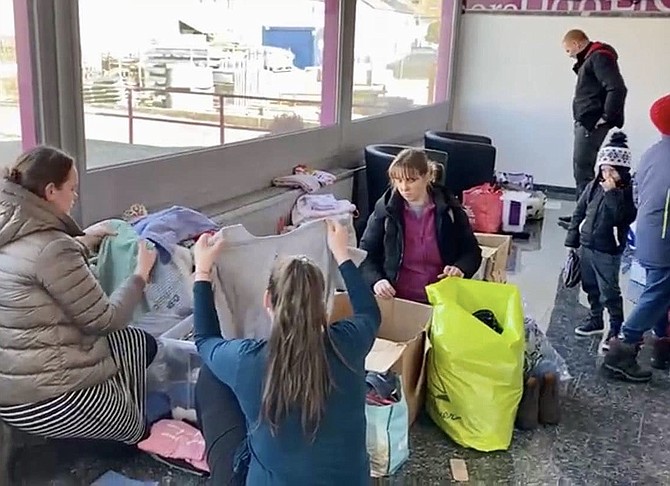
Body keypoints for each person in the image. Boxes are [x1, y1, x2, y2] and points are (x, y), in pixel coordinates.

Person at [192, 220, 381, 485]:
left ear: (268, 299)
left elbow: (204, 339)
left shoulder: (247, 361)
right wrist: (342, 255)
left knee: (210, 376)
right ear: (322, 301)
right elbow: (369, 313)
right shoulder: (349, 343)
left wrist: (202, 271)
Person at [0, 146, 158, 445]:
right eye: (71, 189)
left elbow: (40, 264)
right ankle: (116, 429)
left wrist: (84, 240)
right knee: (139, 431)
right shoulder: (54, 246)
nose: (75, 198)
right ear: (50, 191)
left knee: (137, 342)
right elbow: (105, 320)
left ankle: (104, 415)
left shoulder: (10, 228)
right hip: (48, 398)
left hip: (13, 386)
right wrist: (140, 275)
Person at [359, 148, 482, 304]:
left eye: (411, 180)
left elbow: (472, 252)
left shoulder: (450, 209)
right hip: (397, 299)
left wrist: (460, 268)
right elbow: (365, 254)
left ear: (427, 177)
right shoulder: (385, 209)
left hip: (441, 298)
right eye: (398, 180)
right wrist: (376, 281)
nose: (404, 187)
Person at [604, 94, 670, 383]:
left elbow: (637, 193)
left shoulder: (654, 152)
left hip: (648, 233)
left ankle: (661, 346)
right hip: (665, 238)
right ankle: (623, 348)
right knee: (659, 292)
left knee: (658, 290)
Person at [565, 132, 636, 350]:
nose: (606, 175)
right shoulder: (593, 186)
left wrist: (613, 193)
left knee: (609, 290)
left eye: (612, 171)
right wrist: (572, 240)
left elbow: (623, 217)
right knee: (590, 285)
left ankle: (615, 326)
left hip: (608, 248)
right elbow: (579, 211)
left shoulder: (625, 192)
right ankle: (595, 318)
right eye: (604, 169)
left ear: (621, 172)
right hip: (587, 244)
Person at [558, 29, 627, 228]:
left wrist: (605, 117)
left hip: (590, 122)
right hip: (586, 121)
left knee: (583, 170)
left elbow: (617, 88)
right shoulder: (592, 58)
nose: (569, 54)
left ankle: (585, 218)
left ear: (578, 44)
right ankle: (583, 215)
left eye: (568, 49)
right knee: (581, 170)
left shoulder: (599, 58)